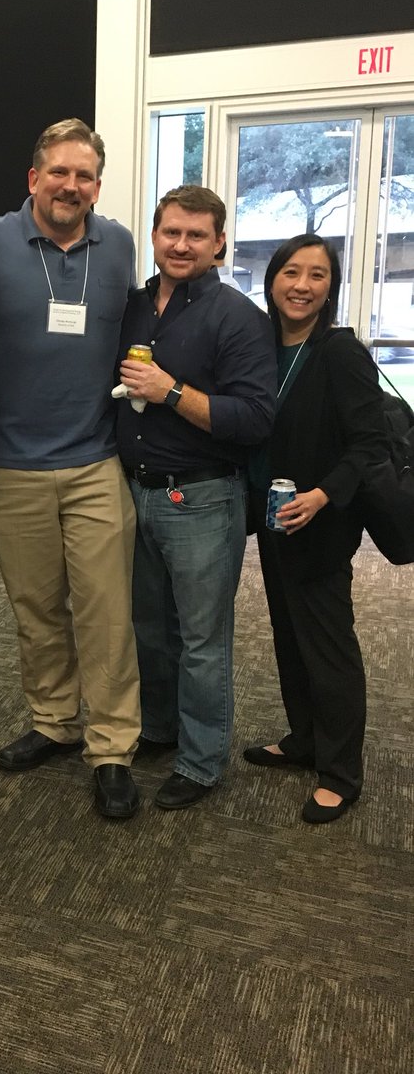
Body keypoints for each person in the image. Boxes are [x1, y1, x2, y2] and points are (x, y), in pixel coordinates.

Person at [0, 118, 143, 820]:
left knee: (105, 614)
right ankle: (55, 721)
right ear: (33, 178)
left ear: (97, 184)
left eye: (85, 175)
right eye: (59, 172)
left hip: (96, 460)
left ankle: (112, 748)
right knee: (36, 612)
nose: (72, 185)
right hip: (8, 466)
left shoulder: (119, 245)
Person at [116, 185, 276, 810]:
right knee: (149, 630)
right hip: (136, 493)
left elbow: (256, 419)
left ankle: (202, 761)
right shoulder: (133, 306)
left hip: (203, 501)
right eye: (170, 233)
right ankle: (160, 726)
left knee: (202, 639)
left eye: (196, 236)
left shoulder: (237, 317)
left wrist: (171, 391)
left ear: (219, 244)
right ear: (154, 237)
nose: (180, 245)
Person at [242, 234, 387, 823]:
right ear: (272, 279)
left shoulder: (339, 351)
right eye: (291, 273)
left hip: (321, 524)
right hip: (273, 520)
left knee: (329, 647)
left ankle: (340, 771)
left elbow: (370, 444)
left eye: (318, 276)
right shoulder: (260, 345)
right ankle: (303, 738)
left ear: (331, 287)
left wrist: (323, 495)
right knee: (289, 637)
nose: (302, 285)